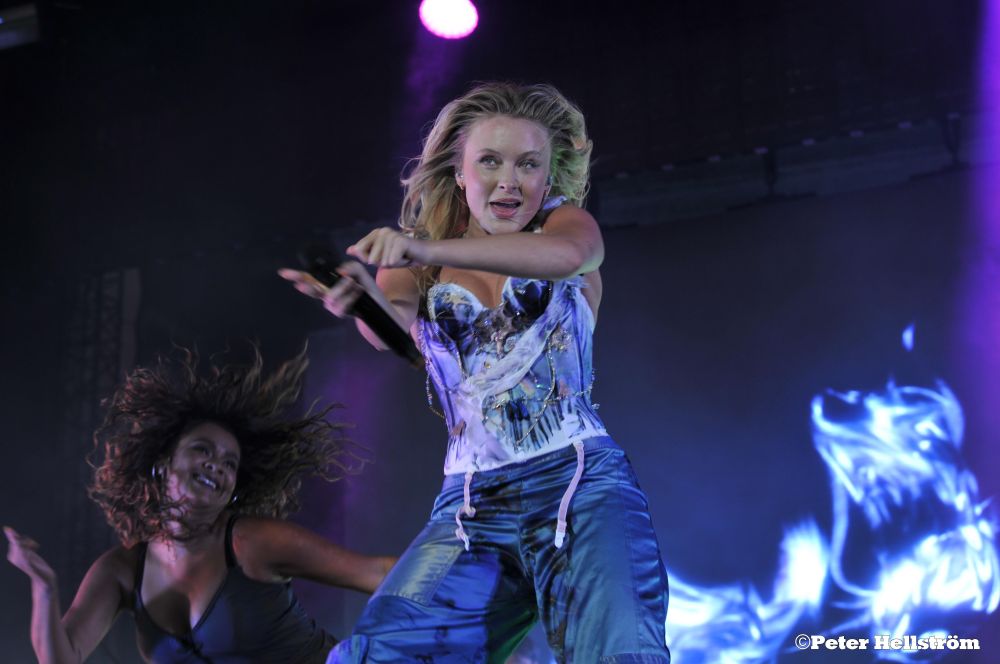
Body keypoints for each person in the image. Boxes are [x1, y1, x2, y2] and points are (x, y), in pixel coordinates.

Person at [282, 82, 670, 663]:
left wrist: (426, 251)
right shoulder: (414, 262)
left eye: (528, 164)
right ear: (459, 174)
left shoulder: (565, 227)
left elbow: (569, 259)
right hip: (467, 509)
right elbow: (391, 330)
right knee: (376, 654)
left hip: (582, 489)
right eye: (490, 161)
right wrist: (359, 300)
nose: (509, 181)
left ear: (548, 176)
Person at [5, 348, 395, 664]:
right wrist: (44, 589)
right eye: (202, 450)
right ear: (162, 464)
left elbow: (375, 573)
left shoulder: (250, 542)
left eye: (229, 463)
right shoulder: (122, 570)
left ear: (233, 489)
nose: (216, 465)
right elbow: (63, 658)